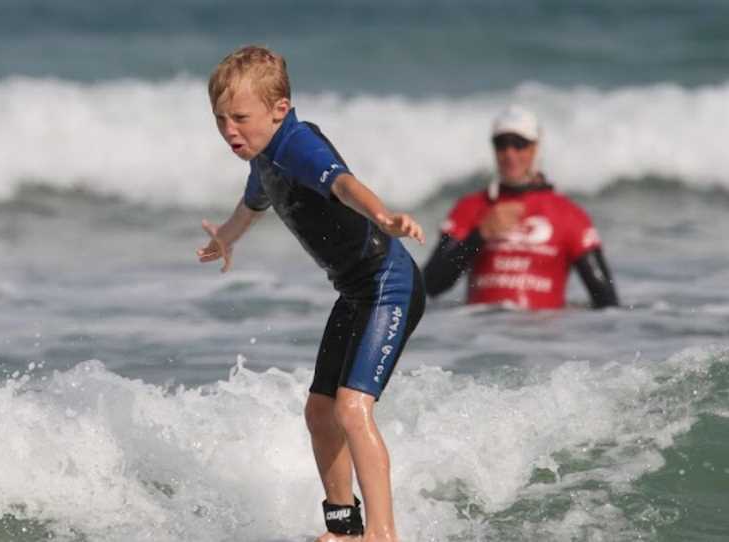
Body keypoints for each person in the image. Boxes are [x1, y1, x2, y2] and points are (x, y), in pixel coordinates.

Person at [197, 45, 426, 542]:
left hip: (390, 285)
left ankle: (383, 534)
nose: (229, 130)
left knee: (351, 408)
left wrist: (383, 216)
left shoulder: (298, 143)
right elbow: (249, 210)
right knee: (319, 412)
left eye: (239, 117)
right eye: (220, 120)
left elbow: (343, 185)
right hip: (355, 293)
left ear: (279, 109)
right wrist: (225, 240)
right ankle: (344, 527)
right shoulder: (264, 160)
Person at [422, 106, 619, 310]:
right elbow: (431, 285)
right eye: (501, 144)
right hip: (479, 336)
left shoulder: (569, 214)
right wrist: (479, 236)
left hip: (543, 338)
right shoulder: (470, 208)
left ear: (535, 148)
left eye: (519, 144)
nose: (510, 153)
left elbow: (608, 302)